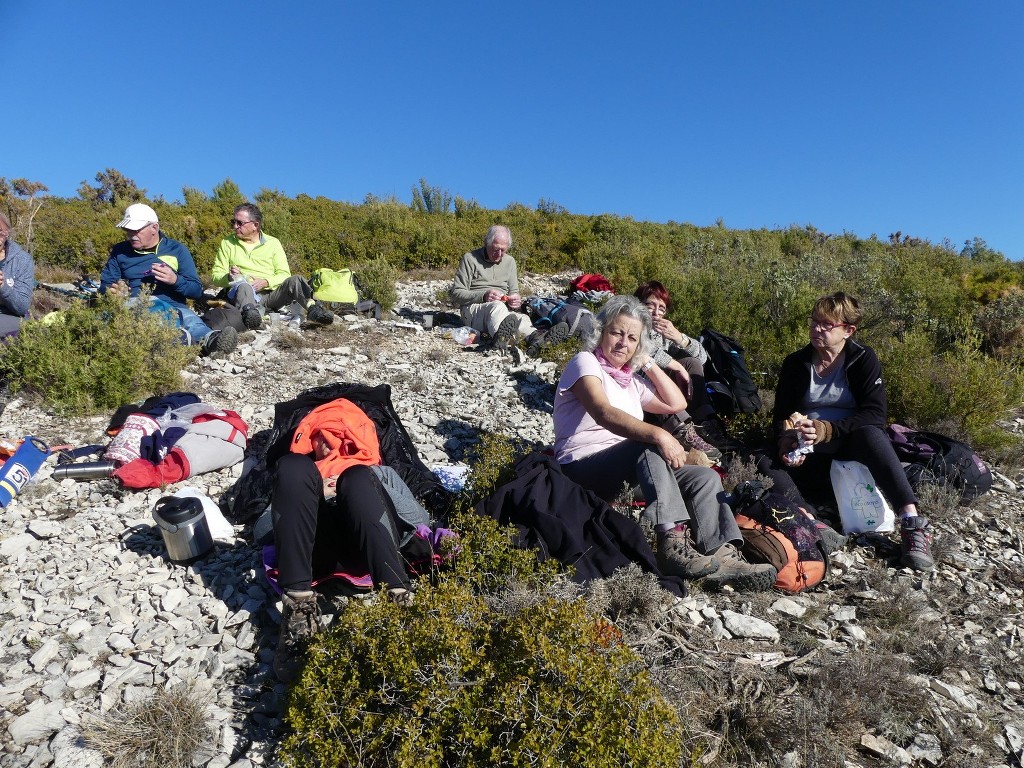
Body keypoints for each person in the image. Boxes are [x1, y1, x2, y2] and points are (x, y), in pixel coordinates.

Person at [552, 295, 777, 591]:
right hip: (581, 468)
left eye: (632, 338)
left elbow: (677, 402)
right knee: (647, 444)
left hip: (625, 468)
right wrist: (658, 434)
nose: (623, 343)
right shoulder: (585, 363)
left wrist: (647, 361)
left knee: (704, 478)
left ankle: (722, 557)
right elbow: (602, 412)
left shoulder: (629, 380)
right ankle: (672, 542)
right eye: (617, 332)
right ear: (601, 331)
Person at [766, 292, 933, 571]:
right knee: (763, 458)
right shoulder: (796, 363)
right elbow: (781, 414)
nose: (817, 329)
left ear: (848, 330)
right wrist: (786, 440)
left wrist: (827, 430)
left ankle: (912, 523)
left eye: (827, 324)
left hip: (849, 442)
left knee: (872, 434)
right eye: (814, 321)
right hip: (809, 450)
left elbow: (875, 414)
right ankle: (810, 519)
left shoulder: (862, 359)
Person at [271, 397, 425, 682]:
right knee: (291, 466)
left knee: (356, 478)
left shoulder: (380, 472)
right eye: (320, 436)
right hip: (315, 551)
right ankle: (300, 611)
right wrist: (318, 495)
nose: (328, 444)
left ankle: (399, 600)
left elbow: (419, 521)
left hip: (373, 547)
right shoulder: (299, 475)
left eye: (339, 436)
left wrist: (362, 490)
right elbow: (264, 531)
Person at [100, 203, 237, 358]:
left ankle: (212, 340)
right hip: (134, 305)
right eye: (128, 230)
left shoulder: (176, 250)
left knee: (191, 321)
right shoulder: (120, 251)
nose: (131, 235)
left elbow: (196, 290)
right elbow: (105, 286)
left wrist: (175, 280)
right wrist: (111, 290)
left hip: (174, 307)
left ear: (154, 228)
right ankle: (179, 340)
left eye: (136, 230)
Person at [634, 281, 722, 459]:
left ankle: (704, 422)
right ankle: (681, 429)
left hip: (664, 398)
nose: (656, 313)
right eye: (650, 305)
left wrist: (680, 339)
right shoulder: (631, 323)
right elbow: (638, 349)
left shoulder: (661, 332)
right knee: (656, 372)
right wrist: (675, 365)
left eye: (662, 308)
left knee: (691, 363)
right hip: (640, 392)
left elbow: (702, 358)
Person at [211, 204, 335, 329]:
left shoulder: (273, 243)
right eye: (234, 221)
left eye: (239, 223)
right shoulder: (227, 243)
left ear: (255, 225)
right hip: (242, 293)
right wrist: (229, 277)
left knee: (296, 280)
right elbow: (216, 276)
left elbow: (284, 274)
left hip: (270, 296)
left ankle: (313, 309)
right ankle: (251, 316)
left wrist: (266, 282)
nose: (235, 226)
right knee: (244, 286)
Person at [450, 225, 534, 356]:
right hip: (473, 309)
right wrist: (483, 296)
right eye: (495, 249)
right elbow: (456, 293)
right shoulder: (470, 259)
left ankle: (535, 340)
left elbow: (513, 292)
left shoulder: (510, 262)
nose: (499, 254)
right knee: (497, 307)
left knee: (521, 318)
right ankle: (500, 339)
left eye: (503, 250)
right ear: (486, 243)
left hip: (502, 310)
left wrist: (515, 301)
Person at [0, 212, 34, 338]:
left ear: (7, 232)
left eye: (0, 230)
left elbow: (22, 306)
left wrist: (3, 287)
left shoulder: (22, 260)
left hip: (9, 316)